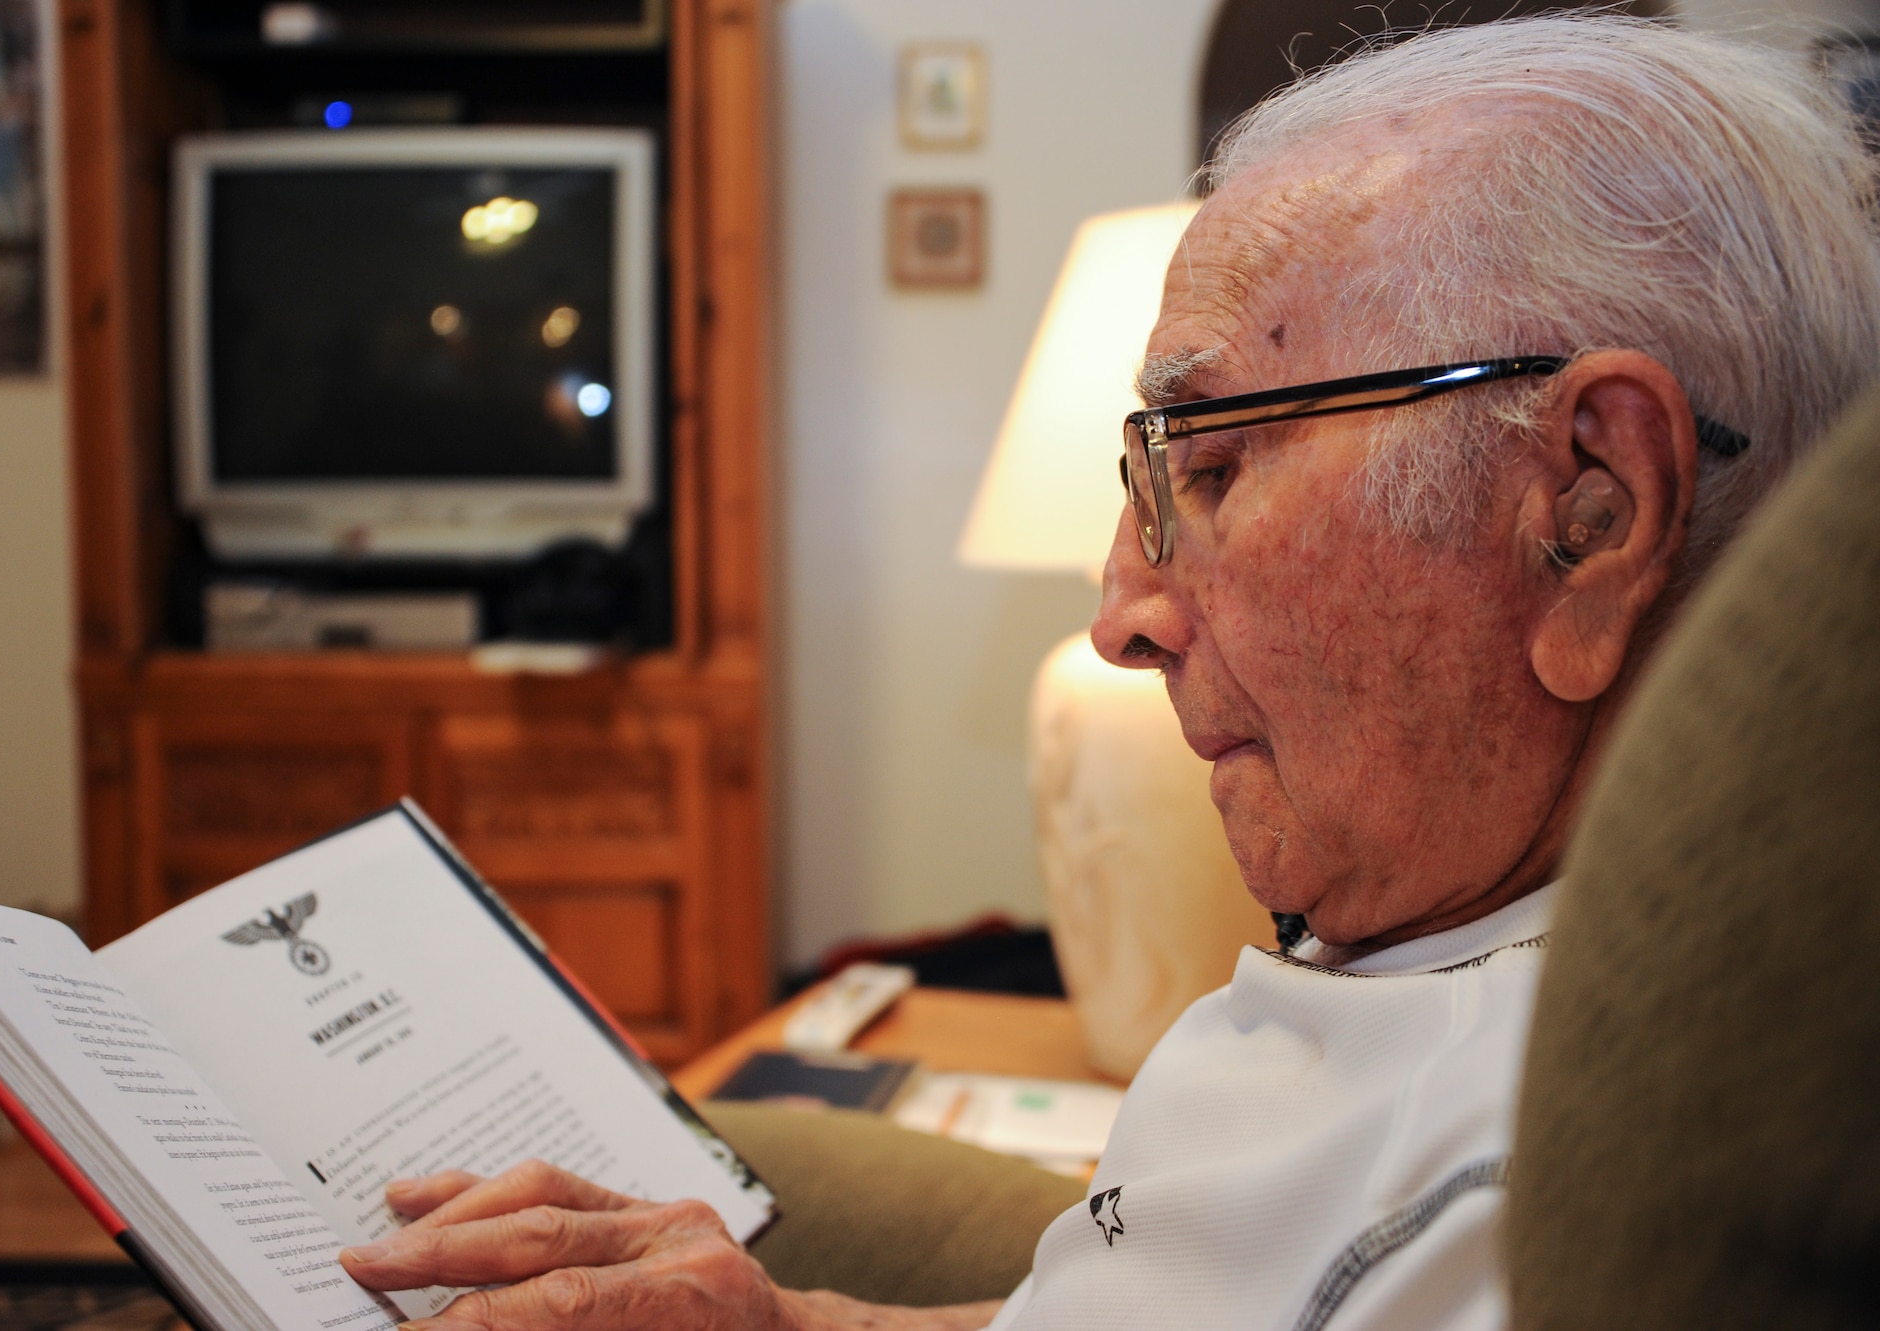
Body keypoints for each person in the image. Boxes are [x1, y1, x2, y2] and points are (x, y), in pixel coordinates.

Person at [333, 14, 1880, 1330]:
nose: (1125, 613)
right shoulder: (1458, 923)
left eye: (1207, 467)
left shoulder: (1542, 1208)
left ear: (1589, 512)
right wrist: (794, 1318)